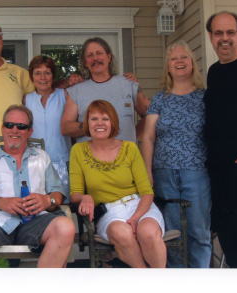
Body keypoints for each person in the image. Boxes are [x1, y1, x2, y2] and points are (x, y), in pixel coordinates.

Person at [0, 105, 75, 268]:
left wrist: (47, 200)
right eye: (9, 125)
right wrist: (1, 203)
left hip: (36, 222)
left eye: (21, 126)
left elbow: (57, 193)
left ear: (30, 131)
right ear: (2, 128)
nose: (15, 130)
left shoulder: (41, 157)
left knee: (65, 227)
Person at [70, 100, 166, 268]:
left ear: (113, 122)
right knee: (122, 233)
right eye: (94, 119)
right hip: (110, 211)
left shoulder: (130, 148)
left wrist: (135, 218)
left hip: (140, 205)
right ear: (87, 123)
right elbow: (75, 193)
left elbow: (147, 191)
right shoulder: (78, 151)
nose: (100, 123)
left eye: (105, 119)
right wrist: (85, 197)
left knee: (149, 233)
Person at [141, 40, 211, 268]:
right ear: (168, 67)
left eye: (184, 57)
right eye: (174, 59)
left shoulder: (204, 98)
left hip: (196, 172)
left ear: (192, 63)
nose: (179, 62)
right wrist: (147, 172)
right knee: (172, 234)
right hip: (164, 173)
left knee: (198, 232)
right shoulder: (160, 99)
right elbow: (148, 137)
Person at [204, 11, 237, 268]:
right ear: (210, 37)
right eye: (218, 33)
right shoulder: (214, 72)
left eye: (230, 32)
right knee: (230, 240)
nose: (225, 38)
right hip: (219, 174)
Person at [61, 37, 149, 143]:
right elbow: (66, 127)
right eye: (90, 55)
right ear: (85, 62)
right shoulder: (76, 91)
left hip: (125, 157)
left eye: (99, 53)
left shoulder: (128, 84)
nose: (95, 58)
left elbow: (149, 115)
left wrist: (134, 134)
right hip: (89, 158)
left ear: (109, 57)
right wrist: (93, 126)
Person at [24, 56, 71, 201]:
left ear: (53, 75)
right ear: (32, 76)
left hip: (61, 162)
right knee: (38, 204)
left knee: (61, 205)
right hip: (34, 163)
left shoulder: (64, 95)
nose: (43, 77)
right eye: (38, 73)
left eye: (47, 72)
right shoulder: (26, 99)